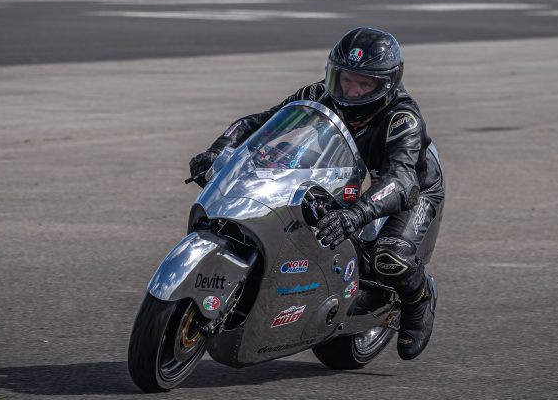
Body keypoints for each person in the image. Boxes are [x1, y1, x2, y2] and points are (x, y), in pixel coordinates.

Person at [188, 27, 444, 360]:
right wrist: (218, 151)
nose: (351, 90)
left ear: (386, 84)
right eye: (345, 79)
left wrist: (355, 214)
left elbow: (402, 180)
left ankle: (419, 300)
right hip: (350, 171)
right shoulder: (318, 93)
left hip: (410, 185)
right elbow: (260, 123)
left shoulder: (402, 118)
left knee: (390, 257)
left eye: (364, 84)